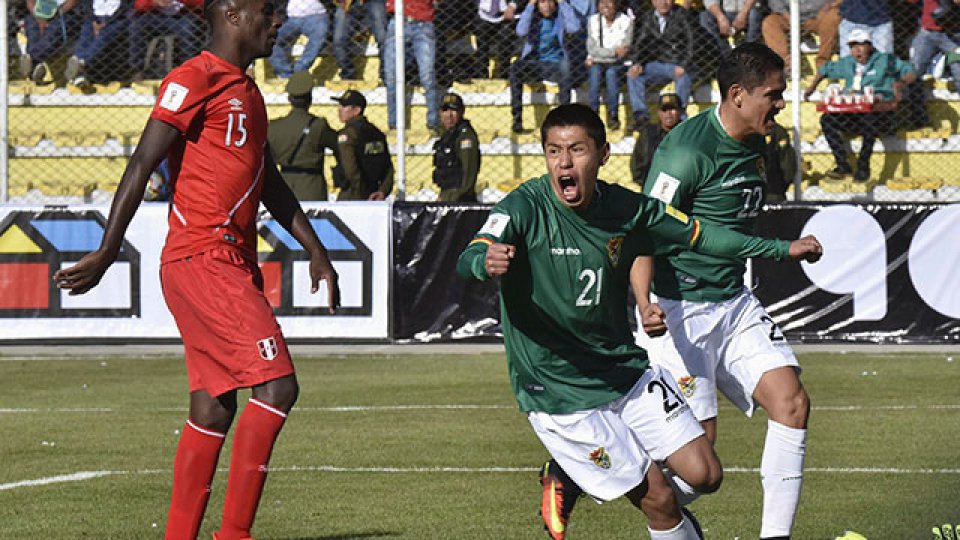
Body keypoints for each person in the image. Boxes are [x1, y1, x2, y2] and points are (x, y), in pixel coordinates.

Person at [457, 103, 823, 540]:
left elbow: (699, 234)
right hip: (560, 389)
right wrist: (484, 260)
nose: (564, 163)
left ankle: (570, 477)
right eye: (554, 151)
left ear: (603, 154)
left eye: (577, 150)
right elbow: (472, 252)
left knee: (705, 474)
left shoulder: (624, 206)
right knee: (660, 501)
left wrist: (780, 249)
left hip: (623, 370)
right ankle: (583, 480)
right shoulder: (524, 206)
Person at [52, 2, 341, 539]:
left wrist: (316, 249)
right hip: (204, 257)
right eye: (266, 12)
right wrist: (108, 249)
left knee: (212, 410)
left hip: (227, 261)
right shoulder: (194, 77)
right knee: (277, 387)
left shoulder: (249, 92)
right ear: (232, 15)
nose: (277, 22)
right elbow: (142, 162)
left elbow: (269, 182)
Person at [632, 42, 815, 539]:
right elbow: (645, 232)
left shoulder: (760, 140)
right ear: (737, 95)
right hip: (680, 311)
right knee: (700, 471)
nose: (781, 104)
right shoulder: (685, 151)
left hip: (733, 302)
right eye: (773, 95)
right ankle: (585, 478)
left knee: (792, 403)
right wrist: (644, 303)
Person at [804, 29, 917, 182]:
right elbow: (824, 70)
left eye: (861, 45)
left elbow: (910, 71)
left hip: (880, 113)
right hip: (854, 112)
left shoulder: (885, 60)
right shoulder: (847, 62)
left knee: (869, 120)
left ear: (870, 46)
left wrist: (900, 83)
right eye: (853, 46)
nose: (857, 49)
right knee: (827, 120)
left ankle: (863, 166)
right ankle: (842, 164)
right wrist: (811, 88)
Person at [509, 0, 581, 133]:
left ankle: (564, 116)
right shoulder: (533, 17)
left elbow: (574, 27)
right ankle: (517, 119)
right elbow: (521, 31)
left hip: (555, 65)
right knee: (515, 67)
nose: (547, 6)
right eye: (542, 2)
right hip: (534, 64)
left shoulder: (560, 16)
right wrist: (530, 5)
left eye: (550, 2)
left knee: (565, 66)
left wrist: (562, 3)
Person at [268, 71, 340, 200]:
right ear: (310, 99)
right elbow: (339, 146)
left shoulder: (273, 127)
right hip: (312, 186)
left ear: (289, 99)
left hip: (283, 185)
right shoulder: (319, 126)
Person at [626, 0, 694, 131]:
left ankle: (680, 116)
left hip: (676, 62)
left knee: (684, 77)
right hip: (653, 63)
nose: (664, 2)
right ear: (653, 2)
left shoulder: (682, 15)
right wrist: (637, 63)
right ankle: (641, 116)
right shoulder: (646, 17)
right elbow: (639, 44)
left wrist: (684, 64)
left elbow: (692, 42)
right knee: (633, 75)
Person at [382, 0, 440, 131]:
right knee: (391, 76)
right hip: (397, 20)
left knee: (427, 75)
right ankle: (394, 124)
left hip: (423, 22)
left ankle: (433, 123)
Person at [331, 89, 395, 200]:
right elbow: (388, 167)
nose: (339, 109)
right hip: (374, 193)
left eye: (344, 106)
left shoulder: (348, 134)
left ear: (356, 110)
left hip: (353, 194)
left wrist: (360, 192)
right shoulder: (376, 133)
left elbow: (350, 169)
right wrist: (383, 191)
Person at [585, 0, 633, 130]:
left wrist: (598, 55)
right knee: (595, 74)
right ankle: (593, 114)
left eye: (609, 2)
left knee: (611, 73)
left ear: (616, 4)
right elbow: (591, 49)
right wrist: (613, 52)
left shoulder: (626, 21)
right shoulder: (592, 20)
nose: (605, 5)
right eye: (602, 2)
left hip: (618, 64)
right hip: (599, 63)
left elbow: (623, 51)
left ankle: (613, 114)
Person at [129, 0, 205, 82]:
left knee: (188, 29)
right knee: (136, 27)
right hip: (155, 16)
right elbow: (138, 5)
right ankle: (137, 70)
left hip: (182, 16)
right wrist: (153, 2)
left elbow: (202, 3)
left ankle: (188, 71)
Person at [64, 0, 132, 86]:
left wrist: (106, 22)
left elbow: (124, 8)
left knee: (103, 36)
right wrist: (93, 21)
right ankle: (78, 72)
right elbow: (87, 5)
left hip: (115, 19)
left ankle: (81, 62)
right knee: (86, 35)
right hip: (94, 18)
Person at [762, 0, 840, 71]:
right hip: (789, 18)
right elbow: (775, 3)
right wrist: (791, 19)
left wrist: (830, 5)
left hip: (819, 16)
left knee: (833, 16)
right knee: (770, 22)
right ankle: (785, 64)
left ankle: (822, 65)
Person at [433, 93, 481, 202]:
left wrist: (450, 200)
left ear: (462, 112)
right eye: (445, 110)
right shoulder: (448, 135)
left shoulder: (465, 136)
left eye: (454, 110)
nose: (449, 115)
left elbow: (468, 175)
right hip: (448, 196)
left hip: (460, 201)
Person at [21, 0, 84, 83]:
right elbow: (30, 2)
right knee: (31, 24)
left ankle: (32, 60)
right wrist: (38, 16)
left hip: (64, 13)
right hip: (39, 12)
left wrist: (53, 15)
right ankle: (33, 66)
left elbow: (72, 2)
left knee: (55, 29)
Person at [267, 0, 329, 78]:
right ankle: (286, 74)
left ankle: (300, 69)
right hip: (292, 19)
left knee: (317, 39)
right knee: (270, 40)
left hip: (317, 15)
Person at [630, 92, 681, 184]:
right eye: (664, 110)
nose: (668, 113)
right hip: (652, 185)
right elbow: (637, 162)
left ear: (680, 111)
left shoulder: (689, 134)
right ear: (659, 112)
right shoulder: (647, 133)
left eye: (672, 109)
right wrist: (647, 184)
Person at [332, 0, 387, 80]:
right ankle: (348, 75)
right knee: (339, 39)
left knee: (382, 37)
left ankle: (386, 74)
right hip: (348, 2)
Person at [473, 0, 519, 78]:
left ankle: (504, 74)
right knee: (481, 44)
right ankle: (482, 74)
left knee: (505, 41)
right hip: (483, 14)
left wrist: (513, 6)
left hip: (508, 14)